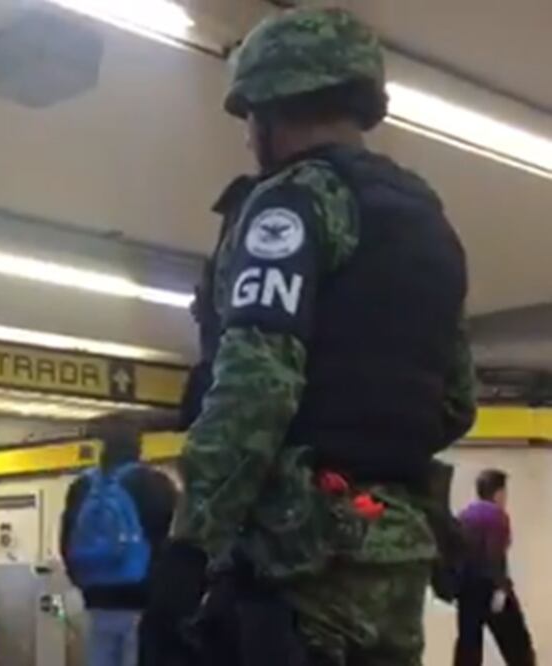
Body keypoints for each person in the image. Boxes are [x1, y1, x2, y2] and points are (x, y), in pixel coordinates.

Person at [176, 7, 475, 665]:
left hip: (301, 565)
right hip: (396, 556)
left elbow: (255, 388)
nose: (248, 138)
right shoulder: (428, 222)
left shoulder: (293, 203)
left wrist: (188, 548)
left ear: (270, 108)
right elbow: (456, 401)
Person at [60, 418, 177, 666]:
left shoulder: (82, 486)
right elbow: (171, 538)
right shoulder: (154, 484)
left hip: (96, 600)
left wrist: (84, 580)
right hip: (140, 602)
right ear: (138, 448)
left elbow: (66, 539)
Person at [453, 469, 534, 665]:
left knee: (469, 645)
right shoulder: (497, 517)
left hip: (466, 590)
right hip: (490, 588)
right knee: (517, 643)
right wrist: (501, 588)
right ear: (499, 493)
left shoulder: (464, 515)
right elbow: (494, 555)